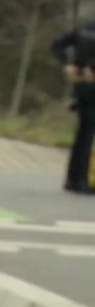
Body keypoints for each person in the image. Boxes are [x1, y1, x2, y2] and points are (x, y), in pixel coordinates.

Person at [52, 19, 95, 195]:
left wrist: (67, 65)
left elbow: (57, 45)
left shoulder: (83, 28)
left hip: (81, 85)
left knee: (83, 133)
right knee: (88, 134)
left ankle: (74, 179)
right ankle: (83, 180)